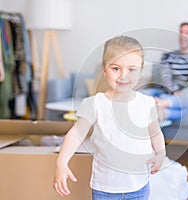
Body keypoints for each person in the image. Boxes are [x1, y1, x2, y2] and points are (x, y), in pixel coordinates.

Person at [53, 36, 166, 200]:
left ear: (141, 70)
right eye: (116, 68)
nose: (123, 75)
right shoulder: (95, 104)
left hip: (139, 187)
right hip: (104, 189)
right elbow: (75, 135)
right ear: (104, 69)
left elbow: (155, 133)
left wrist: (160, 154)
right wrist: (61, 163)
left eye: (131, 69)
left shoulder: (147, 103)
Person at [142, 22, 188, 96]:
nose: (183, 36)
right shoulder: (168, 56)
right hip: (169, 92)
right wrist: (174, 92)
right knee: (142, 94)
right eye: (181, 32)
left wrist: (184, 94)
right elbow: (165, 77)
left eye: (187, 33)